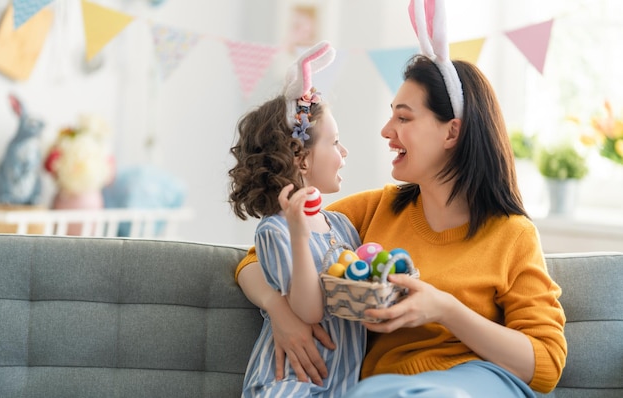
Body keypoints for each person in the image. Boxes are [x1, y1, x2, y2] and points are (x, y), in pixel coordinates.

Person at [234, 1, 567, 397]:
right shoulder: (375, 209)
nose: (385, 130)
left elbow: (545, 366)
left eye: (404, 118)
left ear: (451, 133)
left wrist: (443, 309)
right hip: (381, 388)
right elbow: (263, 253)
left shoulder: (512, 235)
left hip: (477, 381)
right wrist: (279, 310)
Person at [228, 40, 365, 397]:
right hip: (290, 383)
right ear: (301, 159)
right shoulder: (276, 231)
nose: (344, 151)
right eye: (334, 142)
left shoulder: (343, 226)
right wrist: (300, 236)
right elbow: (308, 310)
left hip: (340, 384)